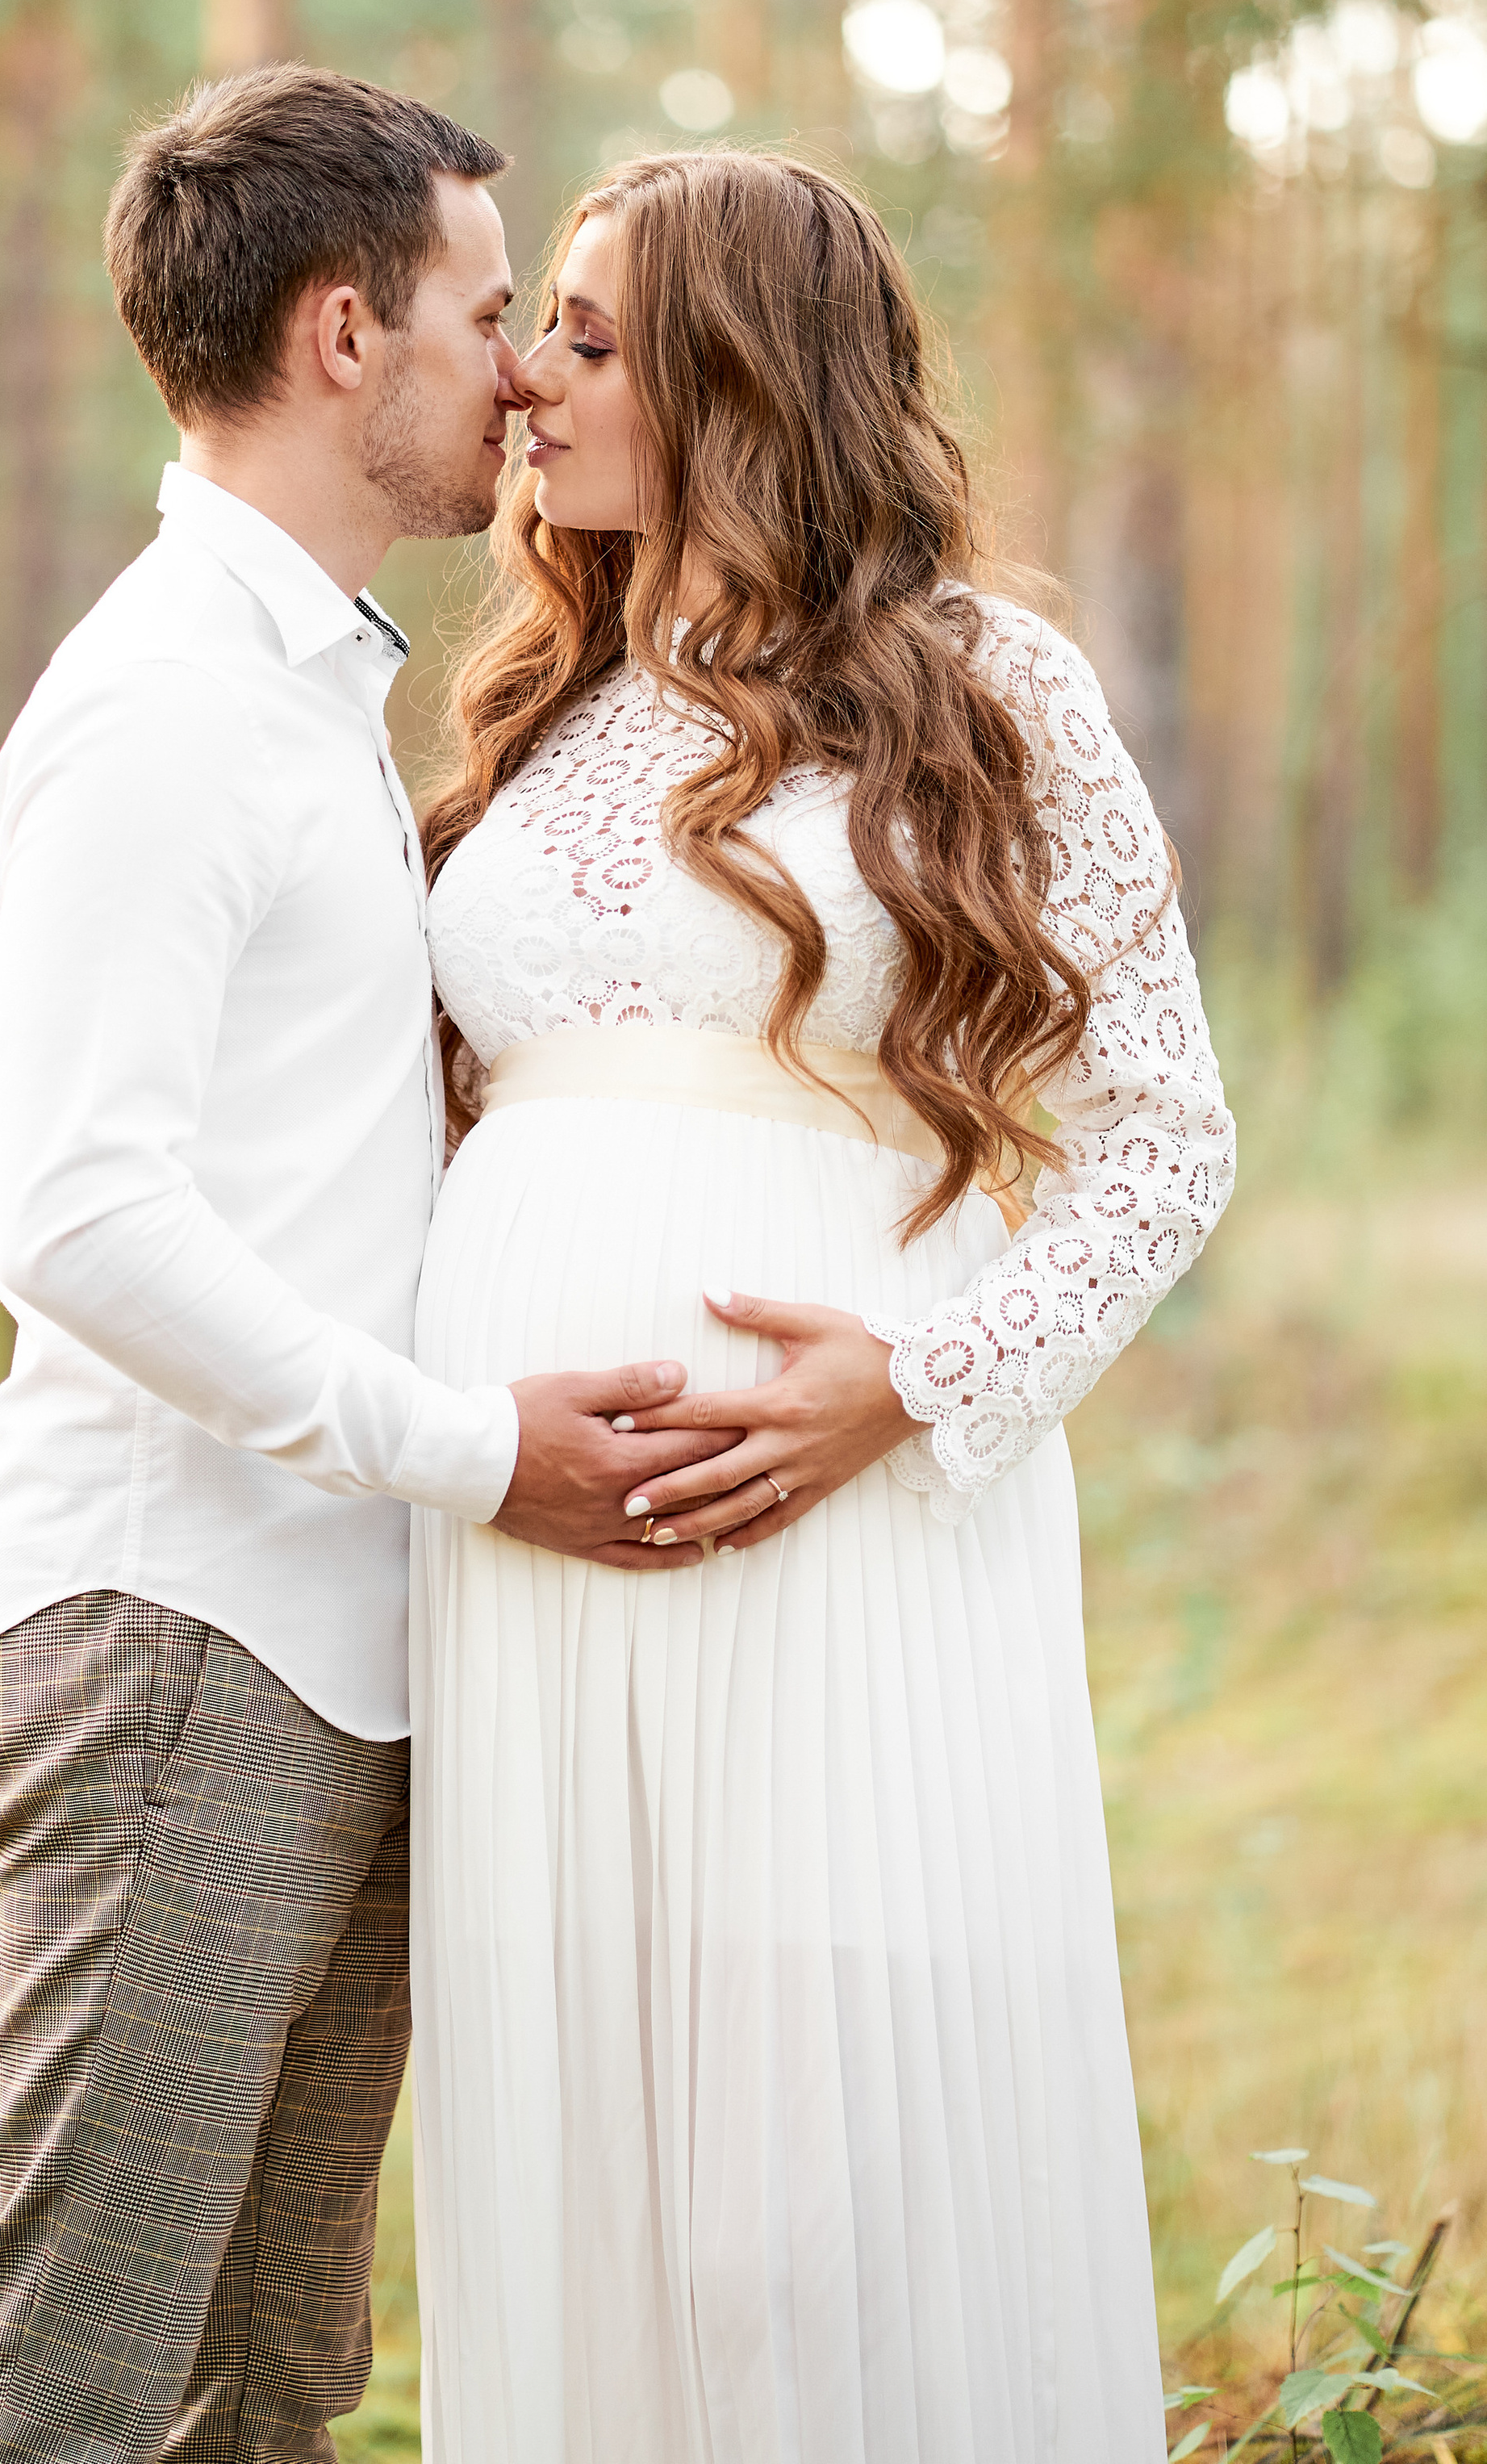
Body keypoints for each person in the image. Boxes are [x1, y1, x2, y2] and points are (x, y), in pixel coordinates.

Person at [0, 67, 731, 2464]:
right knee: (71, 2386)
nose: (529, 372)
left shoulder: (303, 690)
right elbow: (77, 1216)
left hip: (337, 1636)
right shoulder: (166, 704)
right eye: (493, 312)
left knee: (265, 2393)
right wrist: (467, 1449)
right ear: (345, 333)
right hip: (181, 1626)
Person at [410, 146, 1236, 2464]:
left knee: (809, 2189)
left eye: (587, 334)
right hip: (522, 1534)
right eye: (536, 324)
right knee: (578, 2135)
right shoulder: (544, 696)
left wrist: (922, 1383)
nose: (527, 378)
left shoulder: (984, 684)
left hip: (846, 1517)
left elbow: (1168, 1136)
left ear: (742, 377)